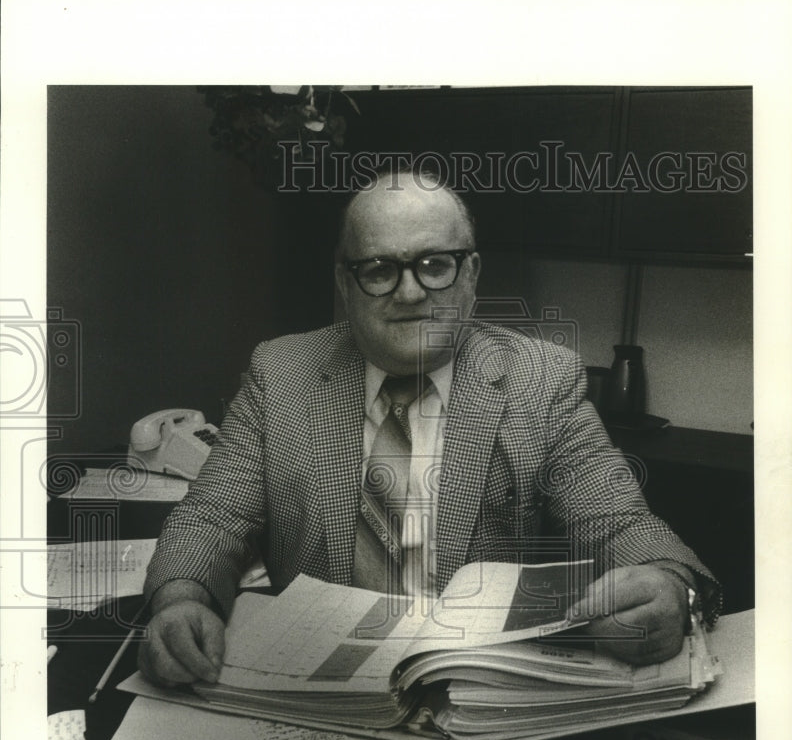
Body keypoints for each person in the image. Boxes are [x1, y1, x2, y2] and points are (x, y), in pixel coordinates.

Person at [139, 167, 719, 688]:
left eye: (435, 265)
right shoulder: (280, 372)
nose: (411, 292)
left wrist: (672, 587)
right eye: (379, 269)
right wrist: (181, 598)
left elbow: (618, 523)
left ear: (471, 275)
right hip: (318, 690)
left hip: (483, 686)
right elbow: (213, 516)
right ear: (344, 283)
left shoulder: (542, 380)